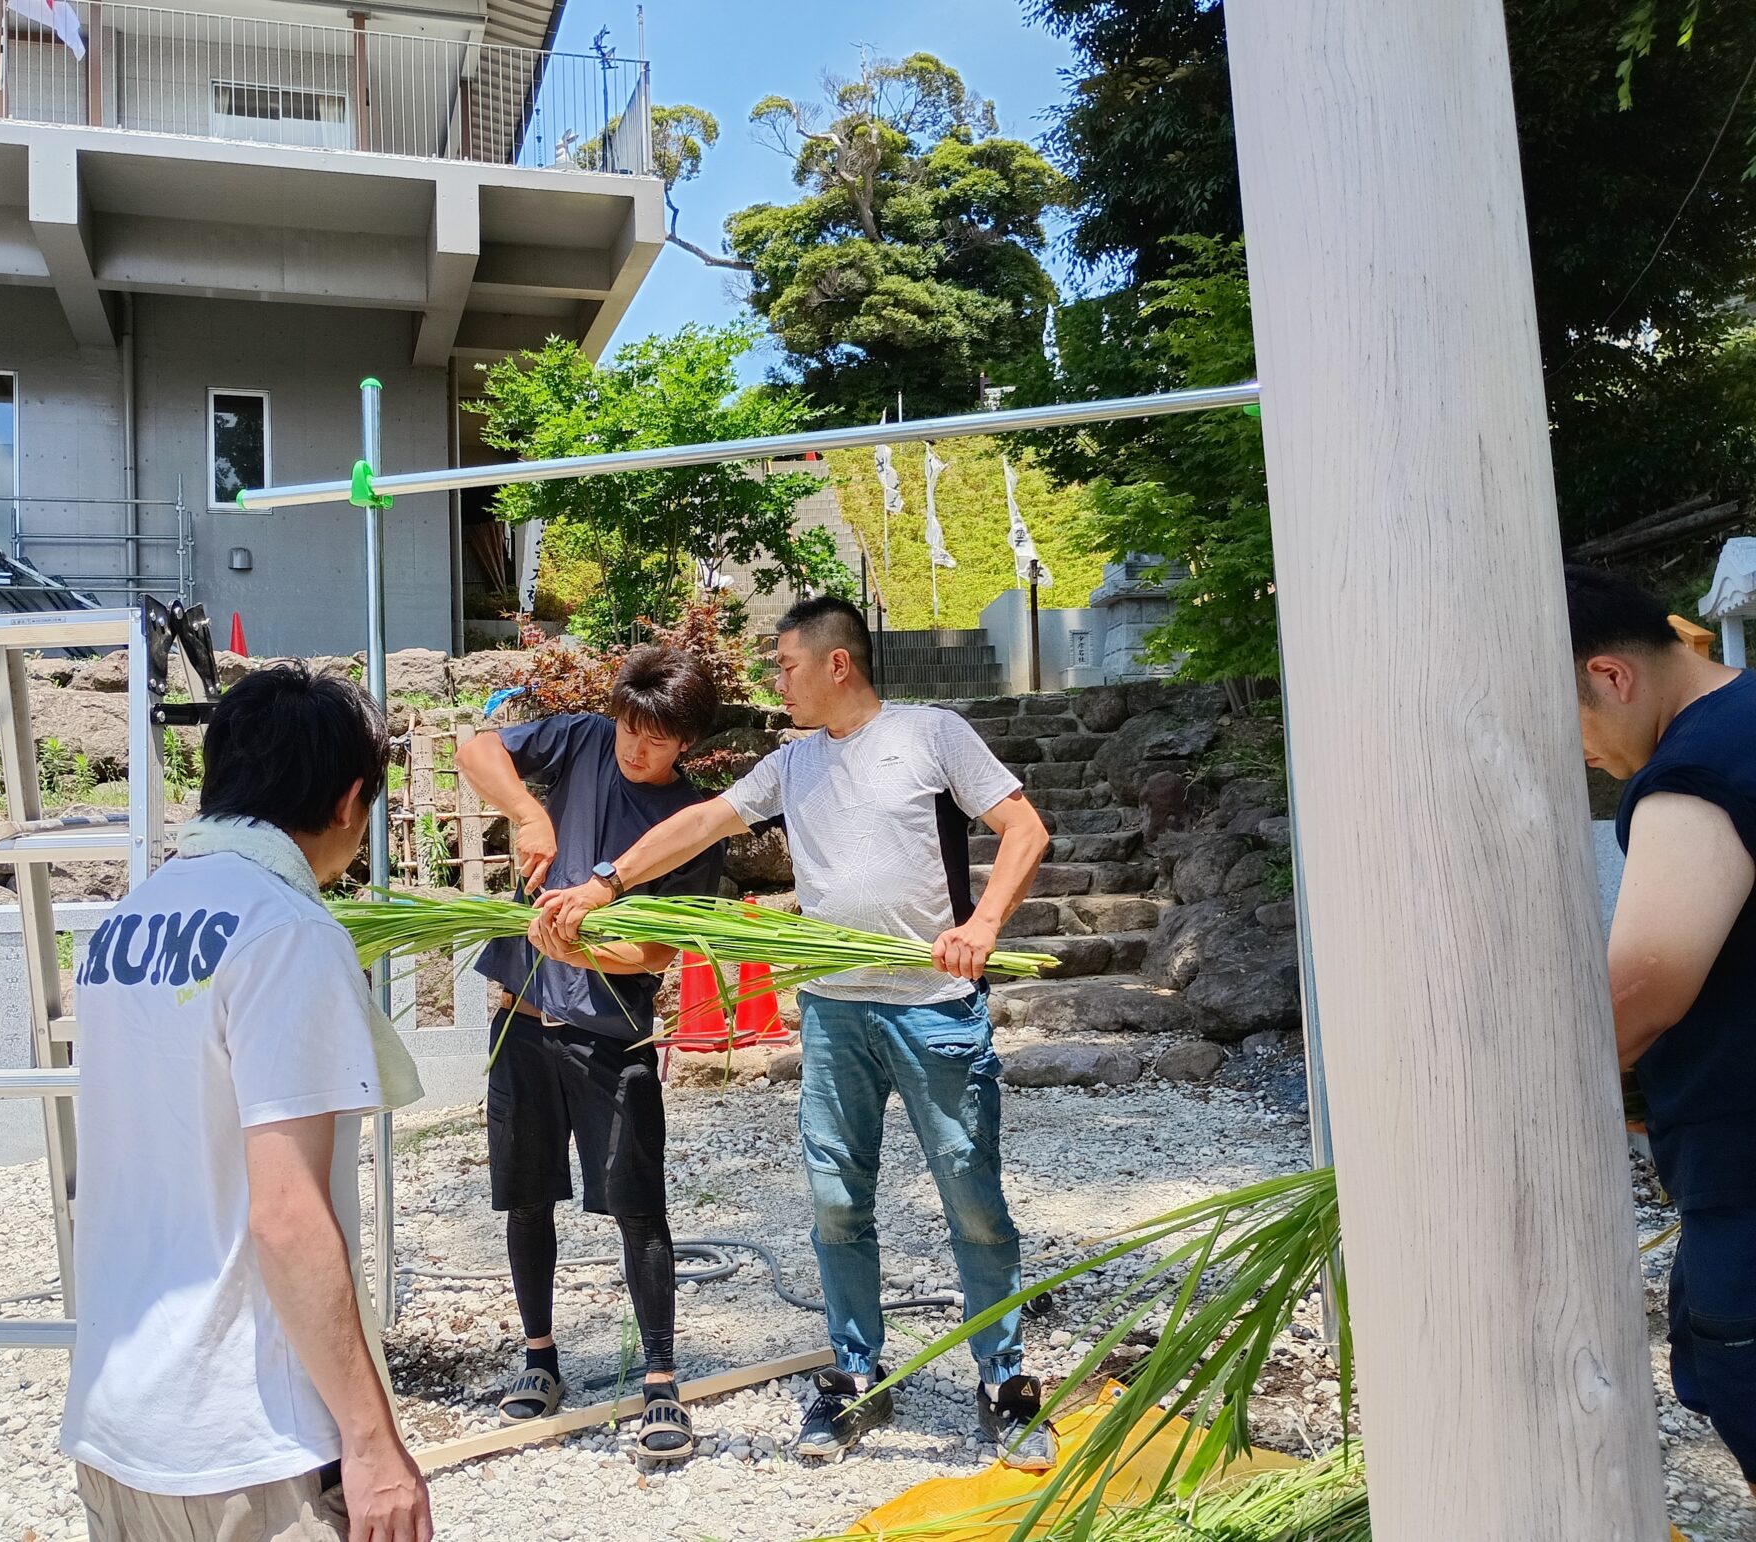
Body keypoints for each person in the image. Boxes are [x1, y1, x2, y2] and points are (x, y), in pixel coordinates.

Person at [537, 595, 1058, 1469]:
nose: (775, 681)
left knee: (970, 1197)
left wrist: (984, 925)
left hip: (933, 1006)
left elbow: (1024, 828)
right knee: (836, 1202)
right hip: (833, 1009)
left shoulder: (931, 735)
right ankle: (854, 1375)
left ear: (836, 663)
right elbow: (702, 822)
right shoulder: (793, 763)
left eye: (784, 665)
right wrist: (604, 883)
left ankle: (1002, 1381)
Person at [61, 662, 433, 1542]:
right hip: (246, 1443)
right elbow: (285, 1214)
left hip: (119, 1420)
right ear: (349, 801)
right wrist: (372, 1443)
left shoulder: (127, 922)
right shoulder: (287, 932)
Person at [454, 645, 727, 1460]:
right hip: (523, 1016)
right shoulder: (580, 739)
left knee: (638, 1207)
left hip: (612, 1034)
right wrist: (527, 813)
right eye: (629, 728)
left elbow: (660, 953)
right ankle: (539, 1357)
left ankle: (660, 1380)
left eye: (656, 739)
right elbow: (477, 749)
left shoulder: (692, 823)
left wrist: (584, 952)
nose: (635, 748)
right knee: (526, 1196)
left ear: (686, 743)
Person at [1569, 565, 1756, 1496]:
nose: (1582, 757)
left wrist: (1533, 1101)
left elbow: (1644, 988)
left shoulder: (1695, 773)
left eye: (1570, 728)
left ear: (1611, 676)